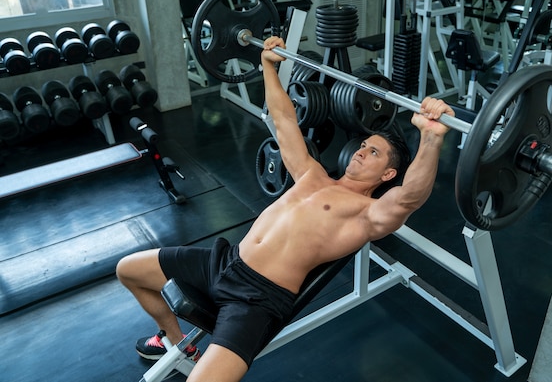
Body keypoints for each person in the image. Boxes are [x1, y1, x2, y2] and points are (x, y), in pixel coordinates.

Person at [116, 36, 454, 382]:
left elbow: (409, 198)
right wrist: (267, 66)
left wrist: (431, 138)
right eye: (364, 145)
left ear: (388, 174)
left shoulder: (366, 212)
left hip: (255, 299)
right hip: (223, 261)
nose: (360, 151)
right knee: (128, 269)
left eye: (374, 153)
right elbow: (284, 121)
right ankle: (178, 345)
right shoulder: (312, 173)